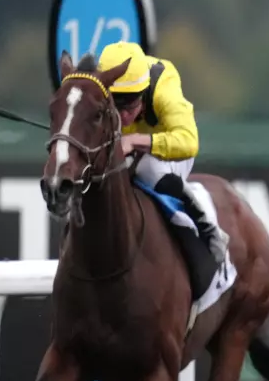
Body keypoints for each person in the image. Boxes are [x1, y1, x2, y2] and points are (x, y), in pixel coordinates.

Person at [96, 40, 229, 267]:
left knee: (148, 168)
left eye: (131, 104)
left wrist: (137, 141)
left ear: (145, 91)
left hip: (171, 153)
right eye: (116, 105)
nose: (124, 116)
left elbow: (189, 141)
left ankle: (205, 225)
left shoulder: (163, 86)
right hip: (127, 149)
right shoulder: (97, 91)